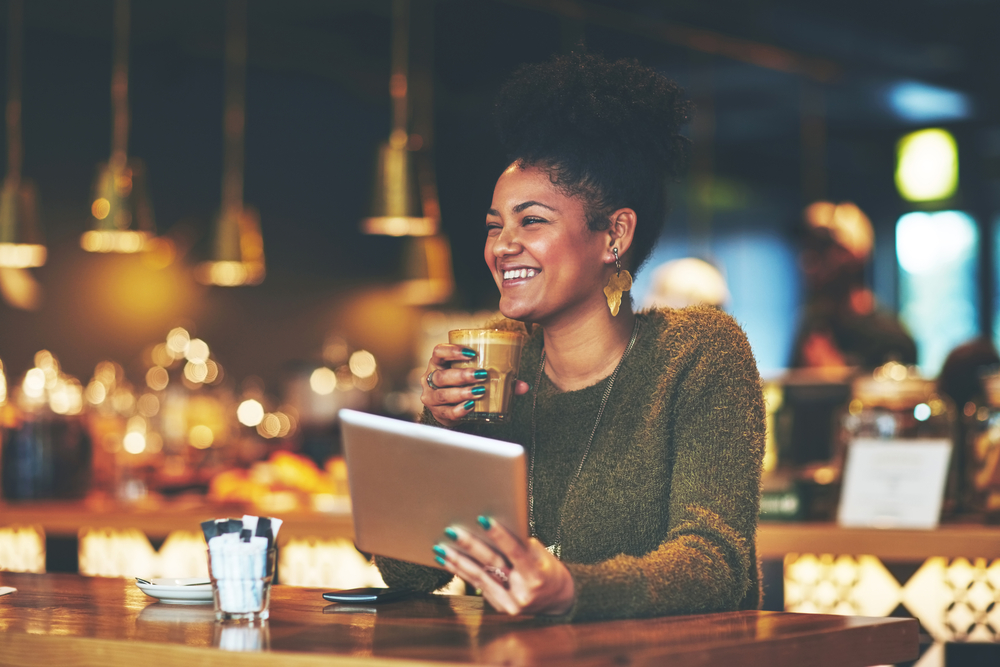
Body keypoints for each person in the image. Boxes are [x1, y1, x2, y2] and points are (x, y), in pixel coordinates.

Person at [374, 53, 765, 622]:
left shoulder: (698, 352)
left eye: (531, 221)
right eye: (494, 225)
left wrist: (572, 588)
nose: (502, 245)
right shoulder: (498, 364)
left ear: (615, 233)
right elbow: (410, 571)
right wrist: (441, 430)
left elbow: (716, 565)